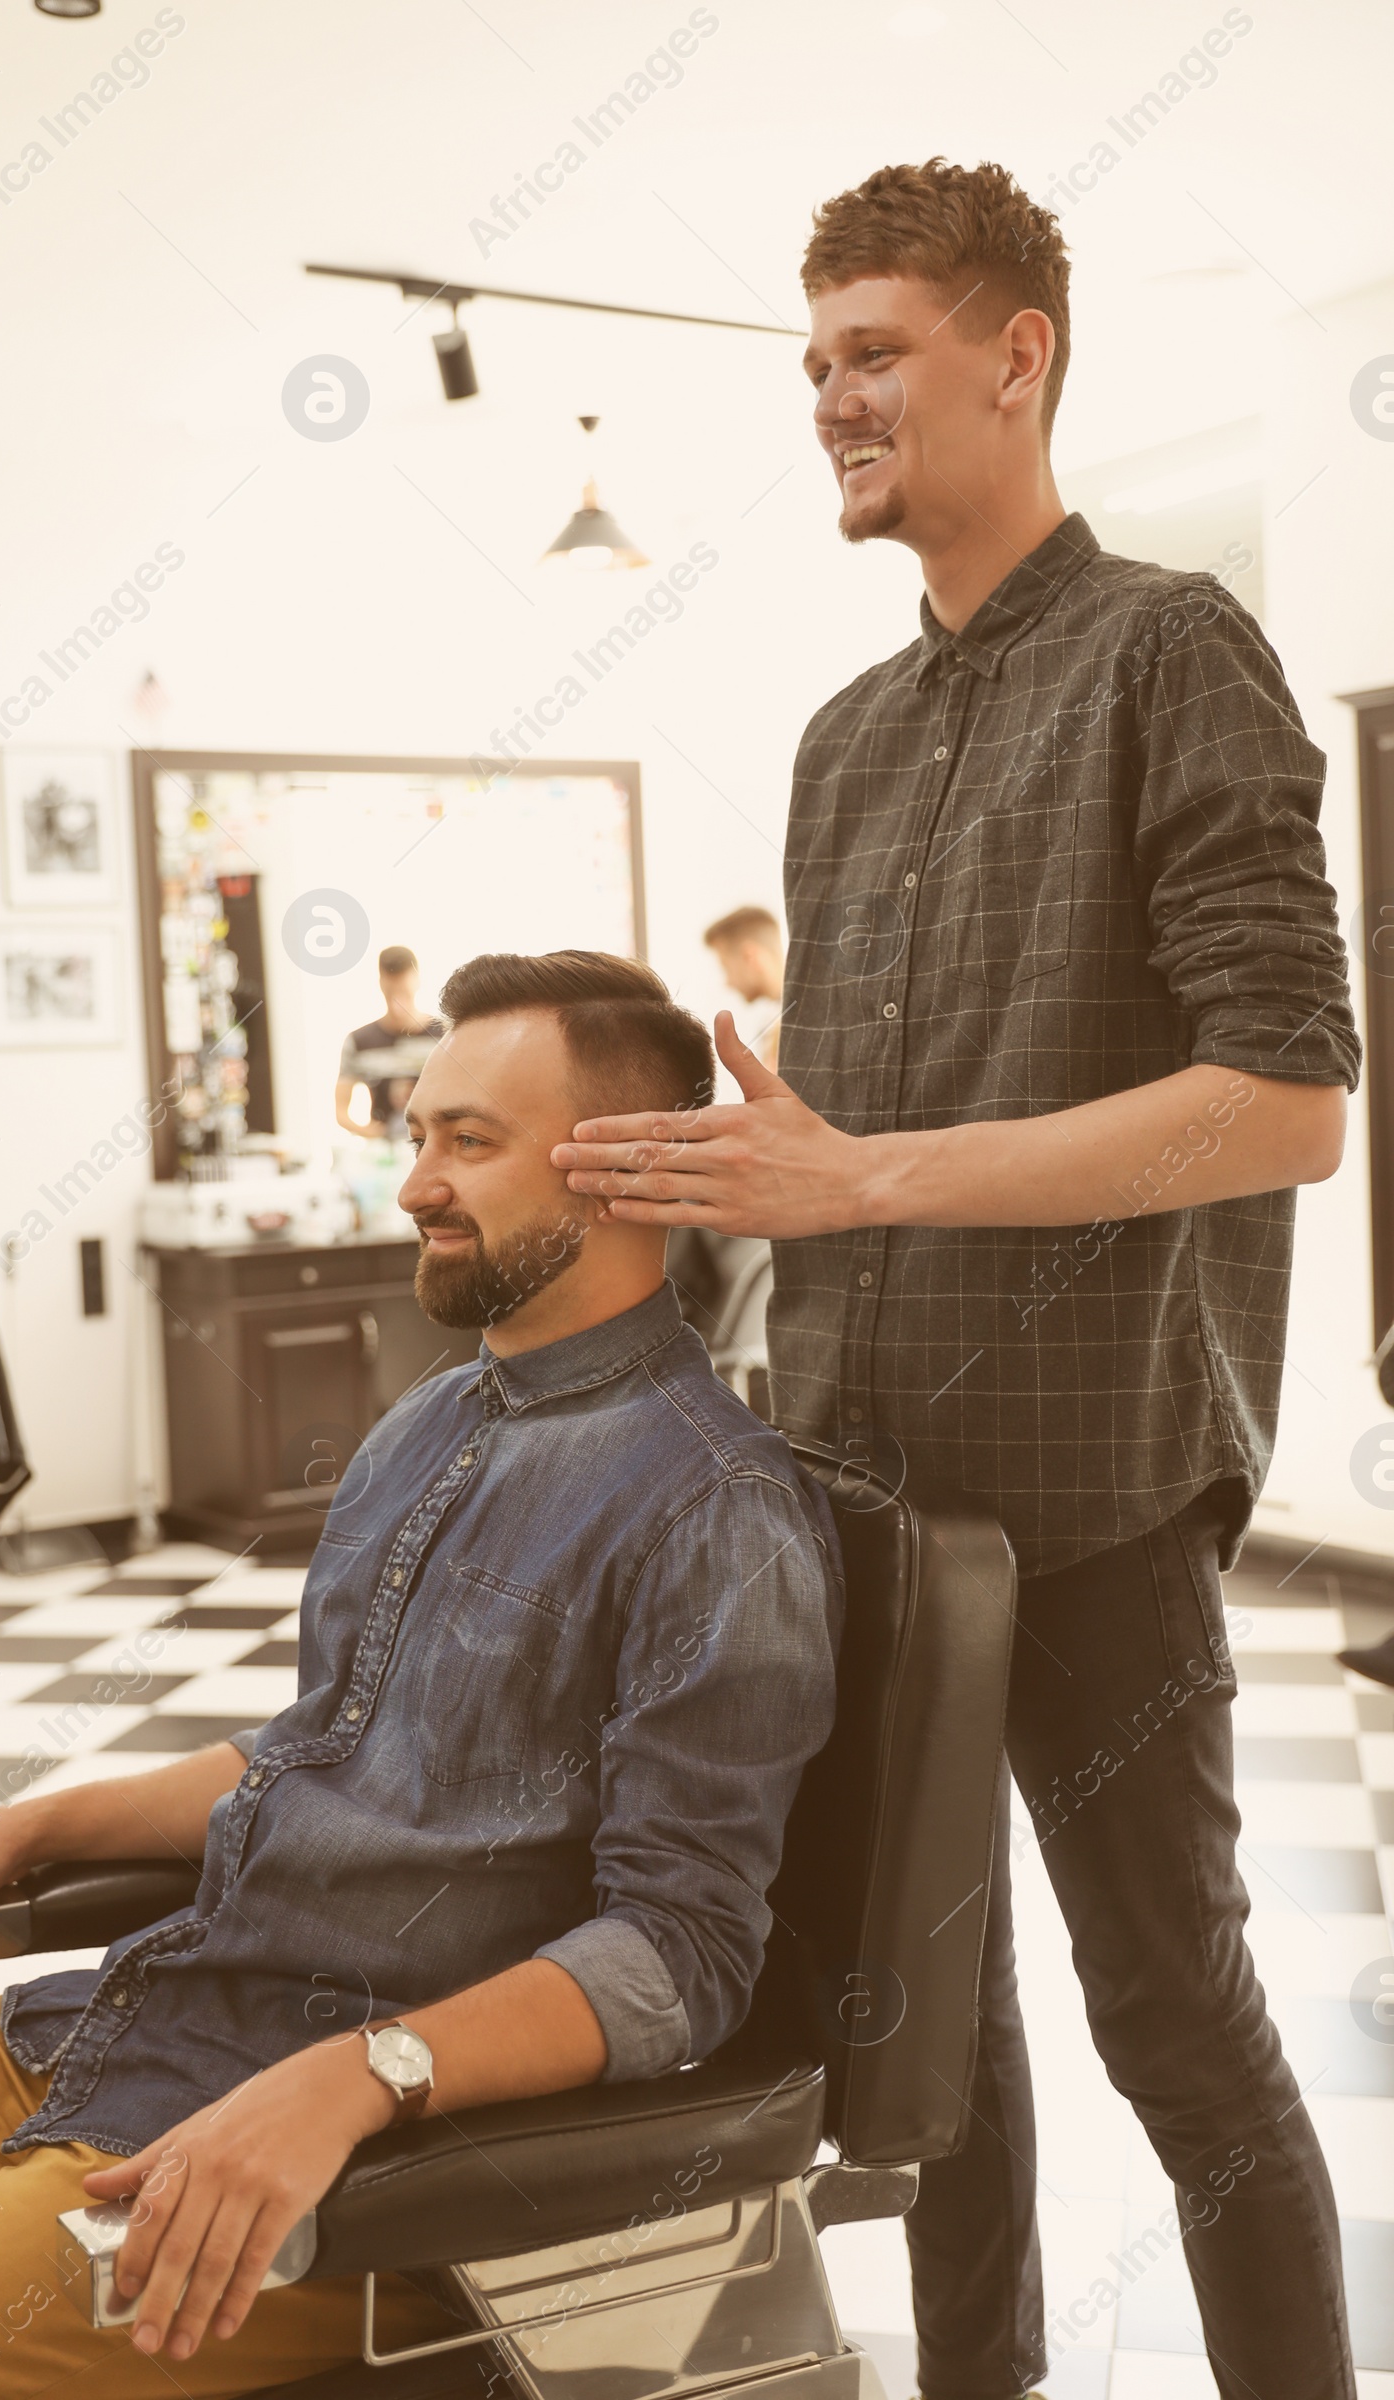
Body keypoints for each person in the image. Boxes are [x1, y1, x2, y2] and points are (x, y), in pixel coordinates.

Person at [554, 160, 1361, 2400]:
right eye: (810, 363)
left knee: (1176, 2033)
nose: (829, 398)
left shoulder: (1169, 652)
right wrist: (757, 1179)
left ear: (1016, 359)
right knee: (923, 2055)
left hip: (1090, 1503)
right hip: (857, 1504)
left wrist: (871, 1174)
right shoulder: (840, 739)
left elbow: (1286, 1095)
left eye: (873, 353)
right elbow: (861, 1155)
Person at [0, 949, 841, 2396]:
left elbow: (684, 1954)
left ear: (622, 1169)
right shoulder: (427, 1424)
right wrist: (30, 1827)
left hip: (324, 2171)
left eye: (467, 1142)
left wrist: (358, 2082)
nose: (416, 1182)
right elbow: (328, 1745)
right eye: (419, 1134)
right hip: (138, 2023)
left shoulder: (711, 1510)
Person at [334, 943, 443, 1141]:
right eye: (392, 993)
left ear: (417, 981)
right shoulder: (359, 1040)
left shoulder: (446, 1034)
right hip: (386, 1157)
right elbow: (341, 1112)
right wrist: (375, 1134)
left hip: (436, 1147)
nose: (398, 1003)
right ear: (381, 984)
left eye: (404, 992)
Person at [703, 905, 784, 1070]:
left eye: (726, 967)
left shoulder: (791, 1025)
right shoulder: (775, 1021)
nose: (727, 982)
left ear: (749, 956)